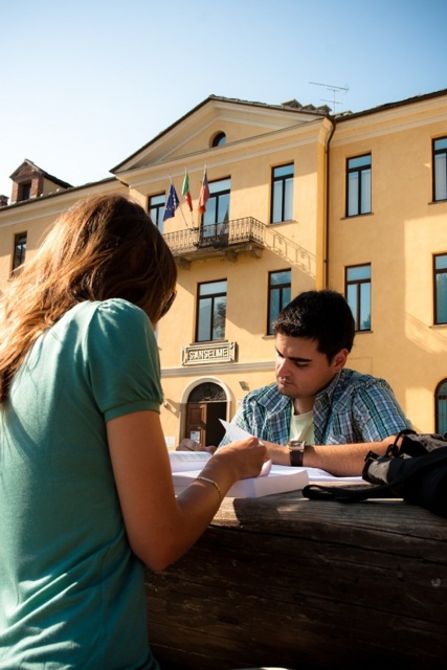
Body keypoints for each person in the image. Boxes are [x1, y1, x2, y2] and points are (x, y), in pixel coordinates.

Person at [0, 194, 266, 669]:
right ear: (147, 288)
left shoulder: (15, 355)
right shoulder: (112, 322)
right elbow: (159, 542)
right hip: (89, 655)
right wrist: (224, 466)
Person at [210, 290, 411, 476]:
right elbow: (226, 459)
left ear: (338, 360)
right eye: (279, 355)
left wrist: (289, 455)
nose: (282, 370)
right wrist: (202, 456)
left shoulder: (363, 392)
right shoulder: (255, 405)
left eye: (300, 363)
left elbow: (404, 453)